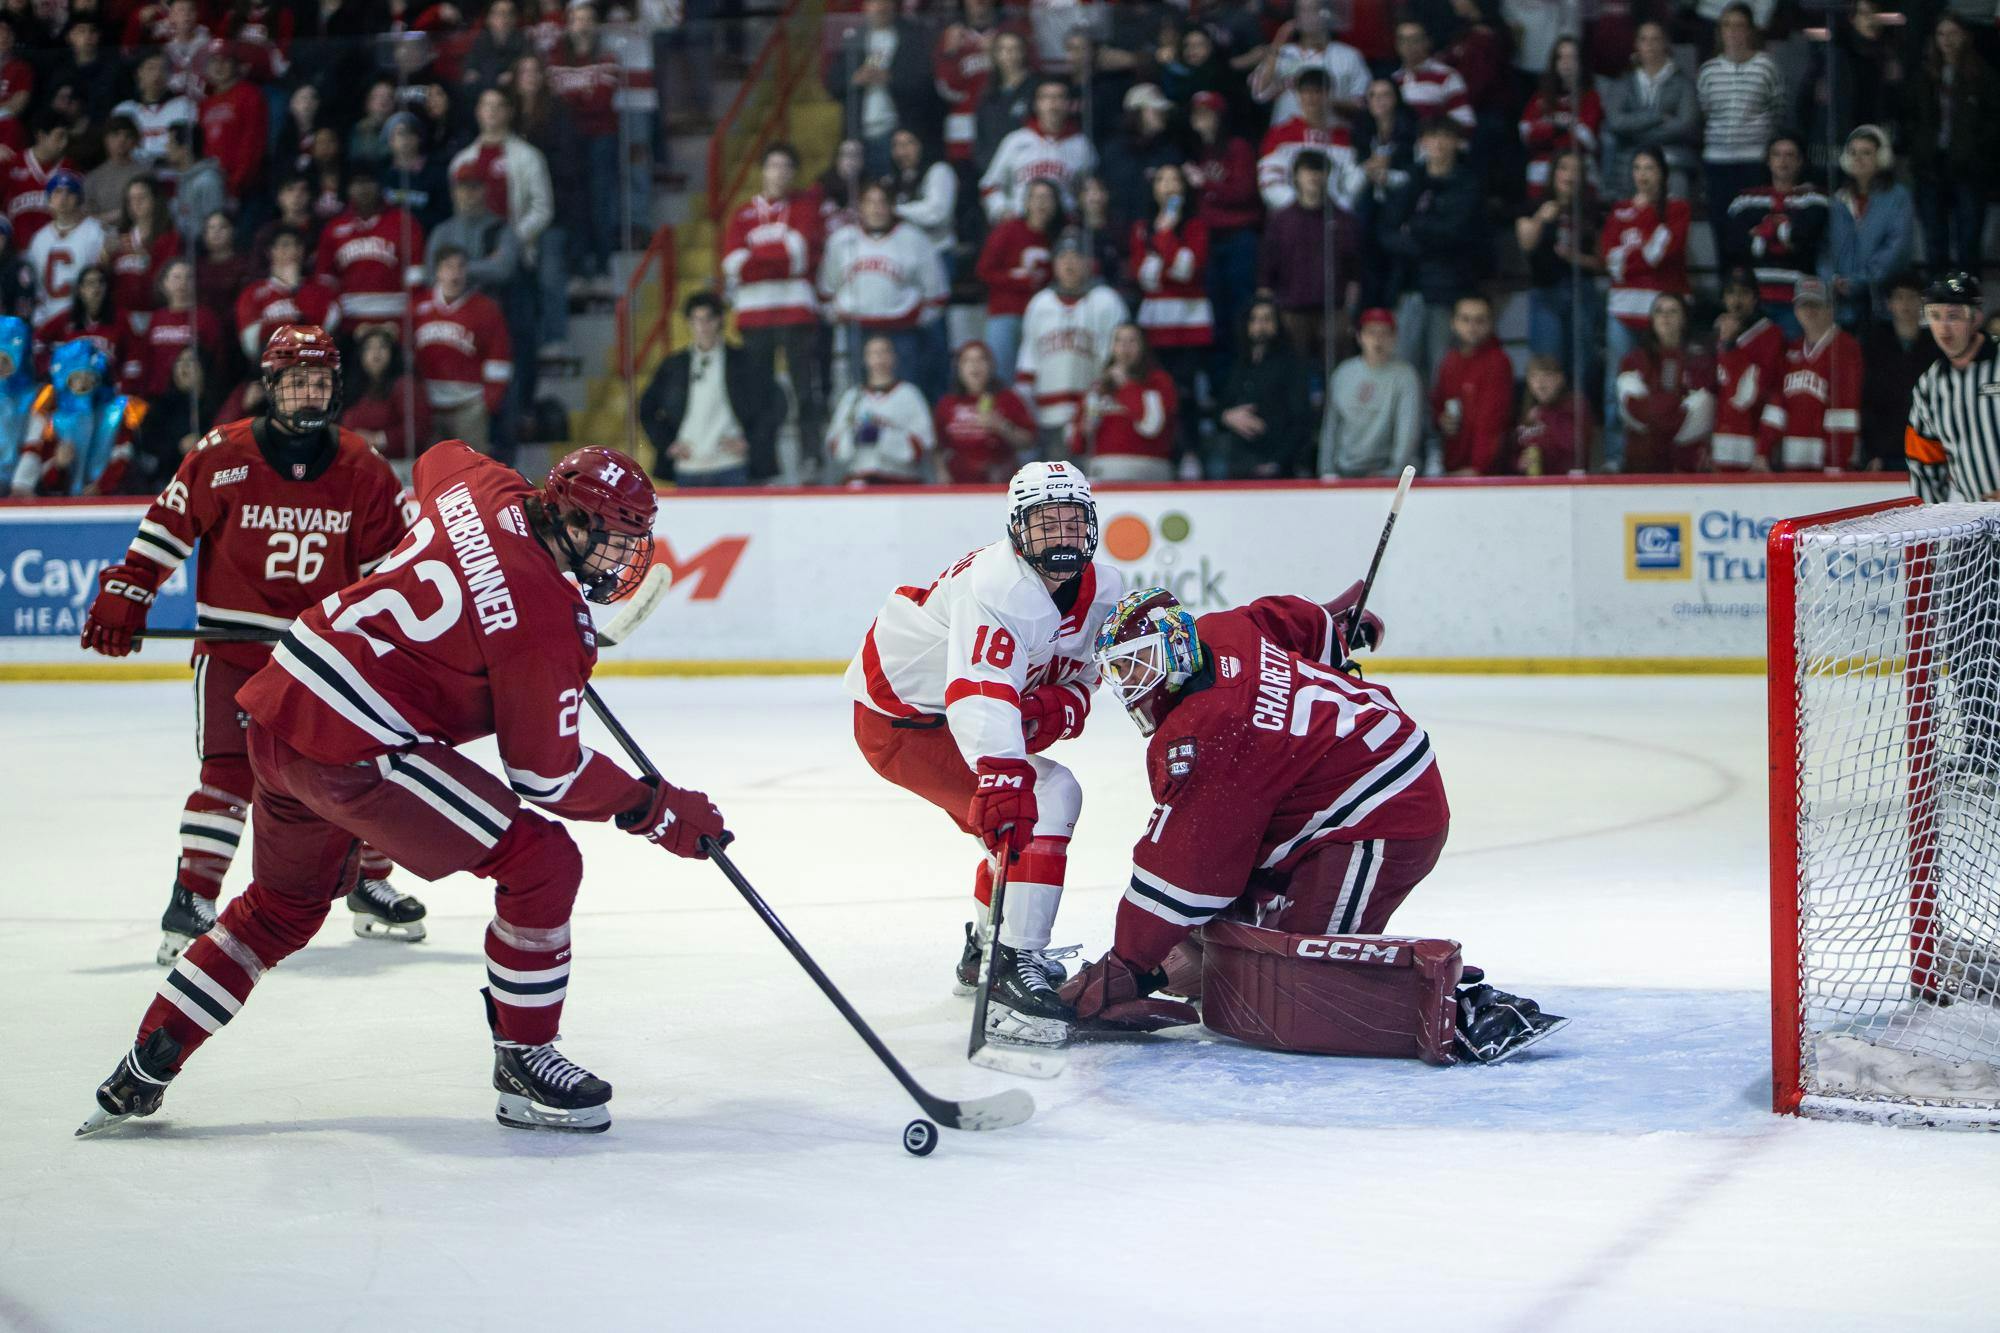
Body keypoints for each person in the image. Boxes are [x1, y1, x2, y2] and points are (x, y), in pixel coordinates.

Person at [78, 436, 728, 1138]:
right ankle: (525, 1056)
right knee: (543, 862)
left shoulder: (476, 483)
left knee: (281, 907)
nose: (624, 558)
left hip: (278, 705)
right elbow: (546, 773)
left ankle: (144, 1064)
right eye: (616, 538)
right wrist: (654, 807)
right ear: (571, 522)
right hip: (351, 746)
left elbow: (437, 454)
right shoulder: (546, 625)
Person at [1060, 584, 1563, 1066]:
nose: (1131, 686)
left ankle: (1466, 1006)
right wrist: (1340, 632)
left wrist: (1124, 965)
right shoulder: (1219, 630)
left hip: (1382, 810)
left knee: (1297, 987)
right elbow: (1294, 621)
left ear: (1174, 646)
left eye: (1138, 664)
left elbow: (1185, 869)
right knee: (1213, 950)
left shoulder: (1208, 730)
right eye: (1120, 672)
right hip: (1330, 796)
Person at [78, 325, 413, 953]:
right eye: (296, 382)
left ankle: (370, 880)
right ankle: (192, 902)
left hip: (322, 659)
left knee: (360, 766)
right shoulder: (221, 454)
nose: (309, 394)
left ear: (336, 387)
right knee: (228, 773)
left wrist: (399, 641)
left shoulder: (364, 468)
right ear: (271, 387)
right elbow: (164, 530)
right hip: (234, 652)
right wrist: (130, 589)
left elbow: (389, 574)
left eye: (319, 381)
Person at [846, 460, 1124, 1048]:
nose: (1062, 537)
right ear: (1018, 530)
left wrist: (1064, 702)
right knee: (1047, 796)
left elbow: (1086, 675)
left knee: (1019, 829)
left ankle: (985, 952)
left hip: (949, 714)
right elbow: (978, 689)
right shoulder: (998, 587)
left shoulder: (1106, 592)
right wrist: (1002, 773)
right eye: (1046, 524)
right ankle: (1010, 968)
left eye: (1072, 523)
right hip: (904, 721)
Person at [721, 144, 826, 482]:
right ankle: (762, 463)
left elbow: (802, 255)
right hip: (754, 317)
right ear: (763, 171)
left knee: (804, 389)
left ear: (793, 173)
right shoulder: (741, 215)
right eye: (773, 165)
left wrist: (757, 259)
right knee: (759, 393)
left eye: (785, 167)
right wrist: (778, 258)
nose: (779, 172)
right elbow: (733, 265)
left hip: (796, 314)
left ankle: (812, 457)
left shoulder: (806, 208)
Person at [1374, 117, 1482, 388]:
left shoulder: (1467, 184)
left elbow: (1456, 234)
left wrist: (1415, 228)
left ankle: (1439, 430)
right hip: (1408, 287)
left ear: (1456, 143)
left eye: (1445, 136)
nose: (1439, 143)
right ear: (1423, 142)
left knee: (1441, 369)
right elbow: (1386, 233)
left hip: (1447, 289)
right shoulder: (1412, 179)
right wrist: (1419, 243)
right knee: (1404, 368)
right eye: (1432, 136)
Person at [818, 180, 949, 399]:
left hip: (903, 333)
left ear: (892, 206)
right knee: (860, 395)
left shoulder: (914, 239)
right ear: (860, 206)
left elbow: (937, 293)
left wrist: (913, 317)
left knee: (907, 392)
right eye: (870, 202)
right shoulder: (841, 240)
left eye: (882, 202)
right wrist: (838, 313)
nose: (876, 208)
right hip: (858, 331)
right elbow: (826, 289)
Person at [1599, 148, 1688, 467]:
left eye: (1649, 167)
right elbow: (1610, 260)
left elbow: (1660, 255)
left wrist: (1630, 256)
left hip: (1662, 310)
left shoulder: (1676, 209)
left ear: (1662, 173)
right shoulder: (1619, 210)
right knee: (1618, 385)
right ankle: (1614, 456)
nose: (1643, 174)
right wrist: (1642, 254)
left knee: (1668, 386)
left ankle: (1668, 457)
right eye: (1637, 167)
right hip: (1622, 311)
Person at [638, 290, 777, 488]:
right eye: (696, 320)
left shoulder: (743, 361)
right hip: (688, 466)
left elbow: (773, 404)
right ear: (689, 322)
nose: (702, 327)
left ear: (720, 320)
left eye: (708, 319)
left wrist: (751, 442)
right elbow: (646, 408)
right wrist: (667, 443)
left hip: (731, 464)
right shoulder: (674, 365)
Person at [1129, 162, 1211, 475]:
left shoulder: (1195, 226)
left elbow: (1187, 269)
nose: (1169, 185)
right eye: (1162, 179)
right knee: (1158, 390)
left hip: (1191, 325)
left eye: (1175, 179)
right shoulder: (1141, 226)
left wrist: (1164, 236)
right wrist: (1170, 253)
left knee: (1187, 392)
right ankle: (1166, 452)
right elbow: (1146, 277)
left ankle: (1191, 452)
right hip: (1156, 324)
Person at [1017, 231, 1129, 459]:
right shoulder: (1039, 304)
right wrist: (1026, 411)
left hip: (1094, 412)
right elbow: (1028, 360)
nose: (1069, 263)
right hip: (1048, 413)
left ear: (1089, 263)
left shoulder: (1107, 301)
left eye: (1076, 257)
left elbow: (1121, 359)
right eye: (1062, 257)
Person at [1909, 15, 1998, 280]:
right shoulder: (1924, 75)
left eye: (1953, 33)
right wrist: (1920, 147)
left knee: (1968, 241)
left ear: (1966, 37)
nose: (1947, 40)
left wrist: (1978, 150)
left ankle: (1967, 300)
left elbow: (1994, 120)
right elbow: (1910, 116)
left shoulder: (1983, 75)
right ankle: (1939, 299)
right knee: (1934, 241)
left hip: (1969, 167)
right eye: (1942, 34)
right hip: (1930, 167)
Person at [10, 338, 144, 497]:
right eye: (77, 378)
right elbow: (47, 480)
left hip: (108, 501)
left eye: (90, 377)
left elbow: (123, 457)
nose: (83, 384)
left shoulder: (115, 415)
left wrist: (102, 487)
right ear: (64, 380)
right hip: (64, 505)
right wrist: (59, 465)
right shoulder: (52, 420)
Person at [1720, 135, 1827, 335]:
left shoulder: (1814, 198)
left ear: (1800, 161)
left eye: (1790, 155)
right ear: (1768, 160)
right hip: (1753, 300)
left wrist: (1760, 234)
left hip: (1797, 300)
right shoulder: (1745, 199)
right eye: (1777, 155)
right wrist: (1784, 232)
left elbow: (1805, 238)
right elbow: (1733, 244)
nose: (1783, 161)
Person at [412, 246, 513, 455]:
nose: (455, 273)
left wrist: (488, 403)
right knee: (432, 470)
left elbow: (499, 358)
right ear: (437, 271)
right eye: (449, 267)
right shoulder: (417, 307)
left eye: (460, 267)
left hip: (469, 406)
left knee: (474, 470)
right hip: (429, 406)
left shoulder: (486, 309)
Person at [1515, 149, 1602, 387]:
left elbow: (1603, 261)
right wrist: (1541, 218)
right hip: (1545, 292)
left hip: (1582, 290)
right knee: (1547, 361)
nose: (1569, 175)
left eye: (1576, 170)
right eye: (1564, 168)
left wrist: (1576, 258)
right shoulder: (1533, 206)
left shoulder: (1591, 211)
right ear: (1554, 173)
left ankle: (1579, 416)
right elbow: (1525, 243)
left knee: (1582, 364)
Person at [1697, 4, 1785, 220]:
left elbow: (1778, 112)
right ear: (1720, 31)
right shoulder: (1708, 71)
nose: (1733, 31)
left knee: (1754, 224)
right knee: (1720, 224)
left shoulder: (1767, 67)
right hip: (1717, 160)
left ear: (1750, 30)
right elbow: (1705, 112)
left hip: (1754, 159)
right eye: (1727, 25)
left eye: (1739, 25)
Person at [1822, 126, 1913, 330]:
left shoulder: (1898, 197)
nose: (1858, 158)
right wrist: (1831, 279)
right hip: (1841, 306)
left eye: (1866, 153)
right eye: (1853, 152)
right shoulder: (1838, 200)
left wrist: (1861, 280)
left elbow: (1897, 247)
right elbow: (1825, 247)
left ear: (1881, 157)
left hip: (1882, 302)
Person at [1767, 278, 1861, 473]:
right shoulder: (1791, 350)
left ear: (1830, 308)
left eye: (1816, 305)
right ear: (1795, 310)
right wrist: (1763, 451)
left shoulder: (1845, 348)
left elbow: (1844, 412)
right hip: (1792, 463)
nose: (1809, 311)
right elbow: (1778, 404)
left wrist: (1836, 463)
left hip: (1829, 467)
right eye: (1803, 305)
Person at [974, 178, 1061, 386]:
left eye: (1047, 198)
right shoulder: (1008, 230)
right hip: (1006, 312)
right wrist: (1017, 280)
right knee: (1000, 376)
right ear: (1026, 202)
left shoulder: (1056, 236)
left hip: (1042, 317)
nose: (1041, 203)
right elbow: (984, 270)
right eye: (1036, 197)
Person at [315, 163, 427, 325]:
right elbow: (325, 278)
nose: (363, 189)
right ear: (348, 188)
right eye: (357, 183)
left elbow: (415, 275)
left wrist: (405, 323)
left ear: (379, 186)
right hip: (349, 319)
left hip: (395, 317)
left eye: (369, 182)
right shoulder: (334, 228)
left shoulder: (404, 222)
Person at [1615, 290, 1714, 473]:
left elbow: (1702, 409)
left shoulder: (1701, 360)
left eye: (1673, 311)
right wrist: (1674, 405)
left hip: (1687, 463)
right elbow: (1635, 409)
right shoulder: (1633, 360)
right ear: (1651, 319)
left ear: (1684, 318)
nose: (1665, 317)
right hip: (1642, 463)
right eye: (1659, 311)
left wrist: (1656, 407)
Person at [1215, 296, 1311, 479]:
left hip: (1276, 465)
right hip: (1239, 463)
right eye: (1255, 319)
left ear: (1277, 324)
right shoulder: (1238, 365)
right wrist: (1226, 416)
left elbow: (1301, 421)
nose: (1260, 325)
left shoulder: (1291, 365)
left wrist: (1277, 462)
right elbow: (1219, 408)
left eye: (1267, 319)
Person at [1323, 307, 1424, 479]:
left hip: (1384, 473)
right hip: (1344, 471)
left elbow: (1407, 431)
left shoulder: (1405, 376)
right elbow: (1331, 426)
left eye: (1384, 333)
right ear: (1359, 336)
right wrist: (1327, 471)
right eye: (1371, 333)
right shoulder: (1343, 373)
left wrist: (1392, 472)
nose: (1378, 340)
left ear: (1394, 337)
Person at [1602, 21, 1698, 199]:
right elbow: (1615, 121)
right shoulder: (1623, 83)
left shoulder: (1683, 83)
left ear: (1665, 43)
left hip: (1672, 159)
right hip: (1630, 159)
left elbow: (1686, 125)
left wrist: (1636, 133)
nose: (1650, 45)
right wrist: (1659, 116)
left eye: (1655, 39)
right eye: (1644, 39)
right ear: (1637, 45)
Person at [980, 76, 1096, 222]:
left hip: (1064, 225)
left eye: (1059, 97)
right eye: (1046, 98)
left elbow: (1091, 190)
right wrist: (1002, 210)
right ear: (1036, 104)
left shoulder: (1082, 145)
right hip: (1021, 222)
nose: (1052, 104)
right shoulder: (1016, 141)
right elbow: (989, 186)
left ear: (1069, 104)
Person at [825, 334, 935, 485]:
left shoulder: (909, 394)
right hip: (859, 479)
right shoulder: (852, 397)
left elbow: (924, 445)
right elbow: (834, 445)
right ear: (865, 359)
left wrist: (883, 435)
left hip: (900, 480)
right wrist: (854, 435)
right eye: (873, 353)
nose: (879, 358)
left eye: (884, 352)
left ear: (894, 357)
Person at [1710, 265, 1785, 471]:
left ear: (1755, 298)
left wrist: (1729, 346)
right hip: (1719, 449)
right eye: (1731, 293)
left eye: (1744, 293)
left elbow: (1752, 393)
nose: (1736, 301)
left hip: (1753, 450)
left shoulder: (1770, 335)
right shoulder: (1715, 334)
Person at [1859, 273, 1935, 472]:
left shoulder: (1936, 346)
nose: (1905, 304)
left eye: (1911, 297)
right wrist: (1873, 452)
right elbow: (1868, 400)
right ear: (1889, 304)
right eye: (1899, 297)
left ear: (1922, 302)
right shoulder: (1874, 345)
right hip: (1887, 450)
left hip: (1928, 448)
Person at [1430, 293, 1513, 476]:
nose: (1472, 327)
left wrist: (1478, 468)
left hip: (1483, 473)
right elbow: (1437, 404)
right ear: (1453, 323)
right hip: (1452, 465)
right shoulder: (1449, 361)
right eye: (1465, 319)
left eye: (1479, 320)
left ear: (1491, 324)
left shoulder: (1498, 362)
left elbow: (1492, 422)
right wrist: (1442, 419)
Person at [1257, 67, 1358, 215]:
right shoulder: (1278, 134)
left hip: (1335, 216)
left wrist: (1337, 206)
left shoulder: (1344, 136)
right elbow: (1269, 181)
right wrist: (1303, 208)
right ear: (1298, 95)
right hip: (1288, 217)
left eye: (1318, 92)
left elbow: (1349, 183)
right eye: (1306, 92)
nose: (1311, 98)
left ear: (1328, 94)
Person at [934, 340, 1036, 485]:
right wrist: (941, 472)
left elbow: (1029, 441)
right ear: (959, 368)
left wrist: (1002, 426)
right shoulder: (947, 403)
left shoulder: (1007, 399)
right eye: (967, 361)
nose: (974, 366)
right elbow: (937, 447)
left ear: (991, 365)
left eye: (980, 359)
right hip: (958, 485)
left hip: (999, 483)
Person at [122, 258, 224, 401]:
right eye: (176, 277)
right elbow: (146, 358)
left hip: (193, 397)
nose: (182, 283)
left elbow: (216, 359)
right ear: (164, 283)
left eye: (188, 277)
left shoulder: (206, 317)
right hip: (158, 396)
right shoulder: (157, 318)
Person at [1250, 4, 1369, 123]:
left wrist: (1322, 102)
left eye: (1313, 10)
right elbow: (1259, 93)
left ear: (1327, 14)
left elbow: (1362, 104)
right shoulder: (1282, 53)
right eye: (1302, 10)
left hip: (1333, 134)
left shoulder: (1349, 55)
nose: (1307, 16)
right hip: (1287, 134)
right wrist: (1279, 40)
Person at [26, 170, 106, 343]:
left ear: (79, 198)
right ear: (49, 199)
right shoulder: (39, 239)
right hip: (49, 318)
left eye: (69, 193)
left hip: (82, 319)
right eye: (57, 192)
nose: (62, 199)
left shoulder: (95, 232)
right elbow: (36, 285)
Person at [236, 226, 338, 360]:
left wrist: (295, 290)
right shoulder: (252, 293)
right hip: (271, 367)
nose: (292, 251)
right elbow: (251, 344)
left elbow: (326, 330)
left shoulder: (320, 289)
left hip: (313, 362)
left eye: (297, 245)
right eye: (285, 245)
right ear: (270, 251)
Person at [1519, 36, 1600, 202]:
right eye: (1561, 57)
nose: (1566, 63)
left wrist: (1551, 126)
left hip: (1579, 163)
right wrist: (1561, 126)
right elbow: (1526, 133)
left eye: (1572, 57)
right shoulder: (1541, 96)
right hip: (1543, 163)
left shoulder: (1590, 97)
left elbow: (1588, 139)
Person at [339, 325, 430, 468]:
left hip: (398, 465)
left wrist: (379, 439)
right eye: (369, 348)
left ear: (392, 352)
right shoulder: (354, 386)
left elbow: (419, 430)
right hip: (359, 463)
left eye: (382, 347)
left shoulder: (404, 385)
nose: (376, 353)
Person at [107, 176, 180, 338]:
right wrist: (104, 260)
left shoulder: (169, 239)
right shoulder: (120, 238)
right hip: (122, 318)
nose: (136, 203)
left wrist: (147, 258)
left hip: (157, 315)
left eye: (142, 197)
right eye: (131, 199)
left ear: (155, 200)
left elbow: (168, 280)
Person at [196, 40, 264, 206]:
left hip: (243, 186)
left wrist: (237, 183)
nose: (219, 66)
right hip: (211, 182)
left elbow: (252, 141)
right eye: (213, 61)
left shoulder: (249, 95)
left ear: (235, 65)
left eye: (224, 61)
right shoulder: (205, 103)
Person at [2, 112, 74, 247]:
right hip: (14, 253)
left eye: (66, 137)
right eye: (59, 137)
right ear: (41, 136)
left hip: (55, 249)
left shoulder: (71, 169)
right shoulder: (11, 163)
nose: (64, 144)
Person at [1511, 354, 1591, 475]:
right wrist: (1519, 463)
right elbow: (1511, 452)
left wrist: (1545, 415)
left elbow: (1572, 447)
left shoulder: (1575, 406)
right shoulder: (1525, 410)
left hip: (1566, 484)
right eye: (1534, 377)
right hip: (1530, 485)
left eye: (1547, 376)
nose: (1540, 384)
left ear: (1560, 379)